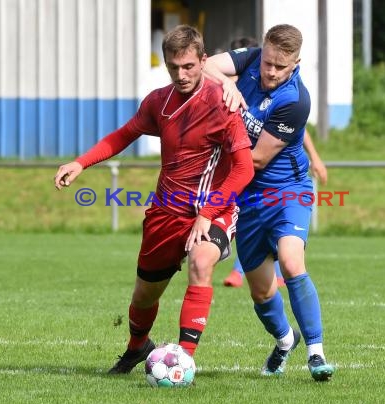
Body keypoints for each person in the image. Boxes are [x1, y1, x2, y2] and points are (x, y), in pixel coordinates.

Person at [54, 25, 254, 374]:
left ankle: (184, 361)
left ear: (203, 62)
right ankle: (137, 347)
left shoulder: (224, 105)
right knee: (144, 296)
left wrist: (206, 214)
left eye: (189, 66)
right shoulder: (158, 102)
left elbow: (244, 170)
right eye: (174, 67)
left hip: (214, 209)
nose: (181, 74)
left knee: (201, 263)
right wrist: (80, 162)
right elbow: (124, 134)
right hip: (166, 212)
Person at [205, 24, 335, 381]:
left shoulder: (295, 100)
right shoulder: (250, 61)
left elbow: (257, 160)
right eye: (268, 63)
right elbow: (202, 65)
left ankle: (316, 353)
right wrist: (227, 83)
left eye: (281, 66)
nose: (272, 71)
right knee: (261, 291)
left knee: (292, 263)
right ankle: (284, 341)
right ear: (262, 52)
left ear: (295, 64)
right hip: (249, 200)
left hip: (287, 191)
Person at [223, 129, 328, 288]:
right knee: (255, 228)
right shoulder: (245, 107)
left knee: (278, 232)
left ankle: (243, 272)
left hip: (281, 182)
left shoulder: (287, 107)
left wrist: (315, 157)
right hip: (252, 181)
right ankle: (246, 272)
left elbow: (300, 128)